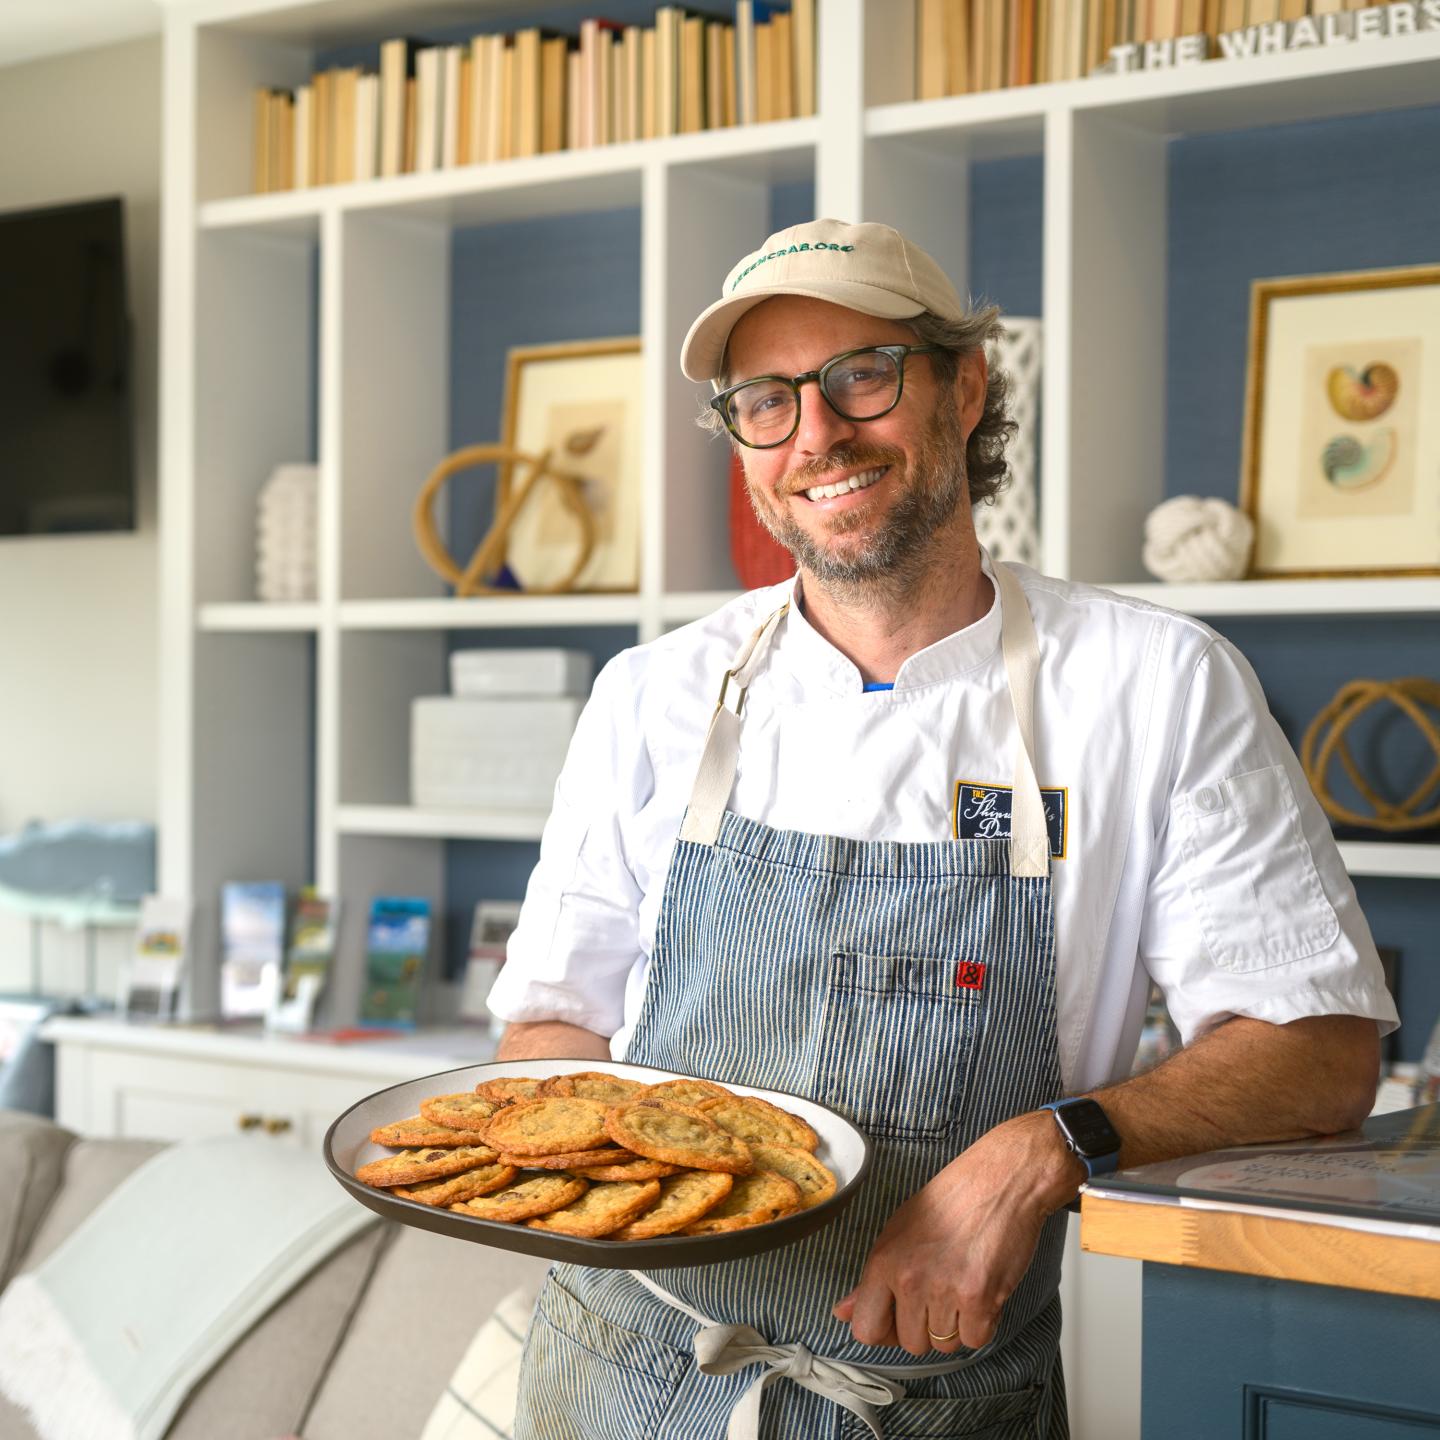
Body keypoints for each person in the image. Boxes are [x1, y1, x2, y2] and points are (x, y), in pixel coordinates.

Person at [488, 218, 1397, 1439]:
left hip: (936, 1406)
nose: (816, 436)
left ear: (965, 387)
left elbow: (1322, 1052)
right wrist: (618, 1170)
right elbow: (551, 1028)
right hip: (626, 1378)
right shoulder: (653, 696)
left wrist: (1046, 1147)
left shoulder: (1157, 685)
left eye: (861, 375)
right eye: (766, 400)